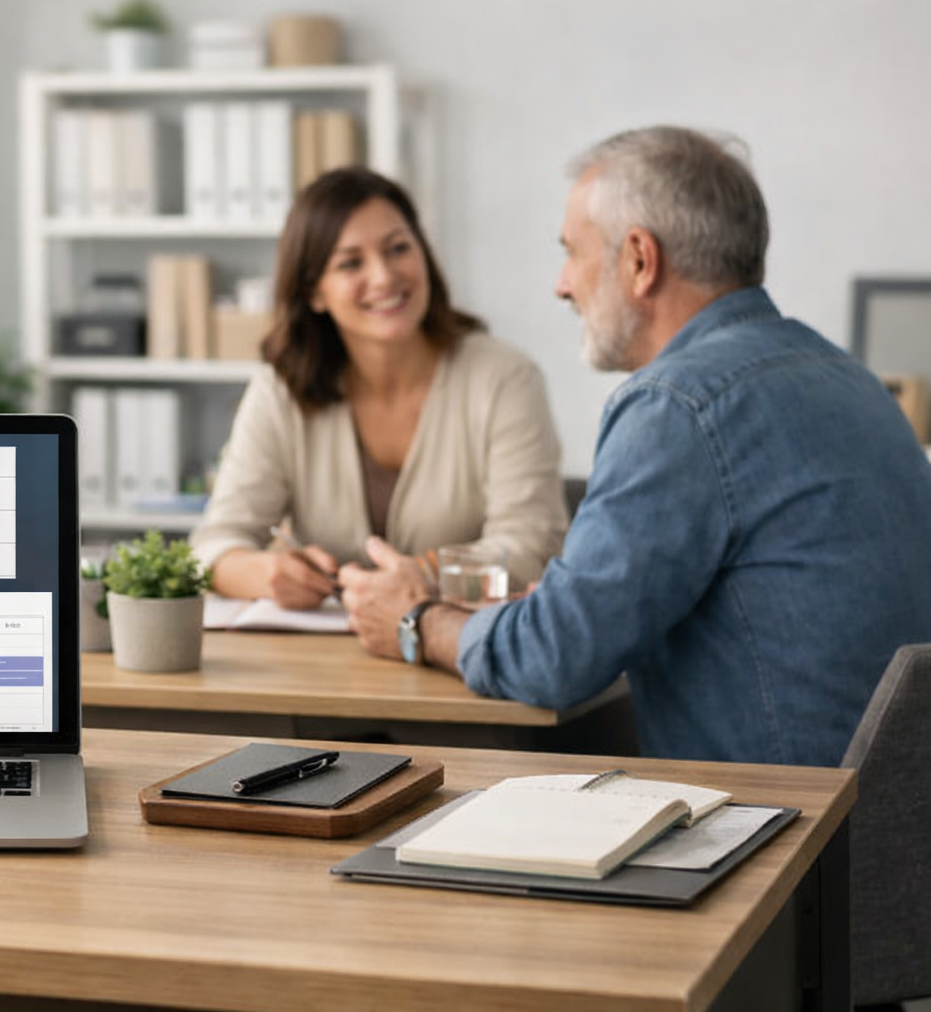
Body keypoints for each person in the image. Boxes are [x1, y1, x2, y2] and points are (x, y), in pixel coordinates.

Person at [339, 126, 931, 766]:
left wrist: (415, 621)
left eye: (572, 252)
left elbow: (555, 658)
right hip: (890, 835)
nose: (562, 285)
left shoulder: (678, 404)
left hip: (789, 839)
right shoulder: (849, 376)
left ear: (640, 261)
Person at [189, 166, 568, 610]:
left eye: (398, 249)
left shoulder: (504, 379)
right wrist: (267, 574)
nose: (385, 277)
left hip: (457, 654)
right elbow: (213, 544)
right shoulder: (281, 389)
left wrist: (421, 577)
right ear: (314, 292)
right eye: (351, 262)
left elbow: (531, 545)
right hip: (319, 667)